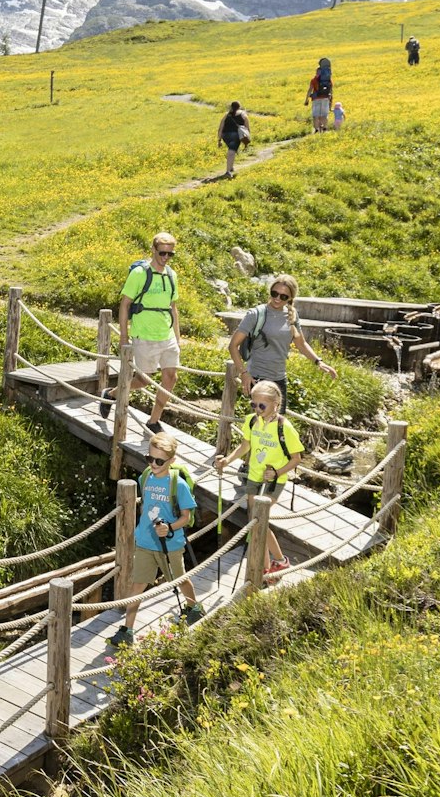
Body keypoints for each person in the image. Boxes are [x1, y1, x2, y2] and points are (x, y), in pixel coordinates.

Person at [110, 431, 204, 646]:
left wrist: (169, 527)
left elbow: (186, 517)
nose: (153, 463)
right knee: (137, 586)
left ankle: (193, 607)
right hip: (145, 542)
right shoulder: (145, 477)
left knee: (179, 579)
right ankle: (127, 629)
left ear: (171, 461)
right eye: (149, 458)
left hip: (169, 544)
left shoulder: (177, 485)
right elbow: (146, 505)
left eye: (159, 460)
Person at [214, 381, 303, 578]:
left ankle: (271, 566)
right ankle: (272, 564)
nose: (257, 409)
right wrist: (227, 460)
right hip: (254, 478)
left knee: (258, 521)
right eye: (253, 404)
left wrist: (277, 473)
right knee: (256, 523)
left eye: (262, 405)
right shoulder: (252, 421)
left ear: (276, 404)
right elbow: (246, 445)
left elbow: (297, 458)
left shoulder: (285, 428)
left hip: (273, 481)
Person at [102, 233, 183, 435]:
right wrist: (123, 336)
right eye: (162, 252)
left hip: (167, 335)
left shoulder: (172, 275)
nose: (166, 257)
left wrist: (178, 336)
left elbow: (173, 307)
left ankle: (153, 420)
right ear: (153, 250)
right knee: (144, 380)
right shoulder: (139, 273)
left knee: (171, 378)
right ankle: (112, 394)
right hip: (144, 334)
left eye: (170, 254)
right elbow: (125, 304)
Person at [228, 273, 337, 405]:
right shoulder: (255, 314)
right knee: (260, 424)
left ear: (290, 298)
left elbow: (301, 344)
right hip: (257, 379)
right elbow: (233, 345)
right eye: (274, 293)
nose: (277, 298)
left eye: (283, 296)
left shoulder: (292, 316)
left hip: (280, 380)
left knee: (277, 425)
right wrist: (244, 372)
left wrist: (318, 362)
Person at [218, 101, 249, 179]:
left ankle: (231, 167)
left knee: (232, 150)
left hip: (225, 136)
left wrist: (219, 140)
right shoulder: (243, 115)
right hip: (236, 136)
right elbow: (247, 128)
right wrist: (246, 141)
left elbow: (221, 127)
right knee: (231, 151)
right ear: (239, 107)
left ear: (231, 107)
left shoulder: (226, 114)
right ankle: (228, 171)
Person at [306, 58, 333, 133]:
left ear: (317, 72)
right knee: (324, 115)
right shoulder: (328, 79)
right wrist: (330, 99)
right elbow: (331, 89)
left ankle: (317, 130)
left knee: (316, 115)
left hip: (316, 99)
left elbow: (310, 90)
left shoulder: (314, 80)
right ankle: (324, 128)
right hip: (326, 98)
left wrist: (306, 100)